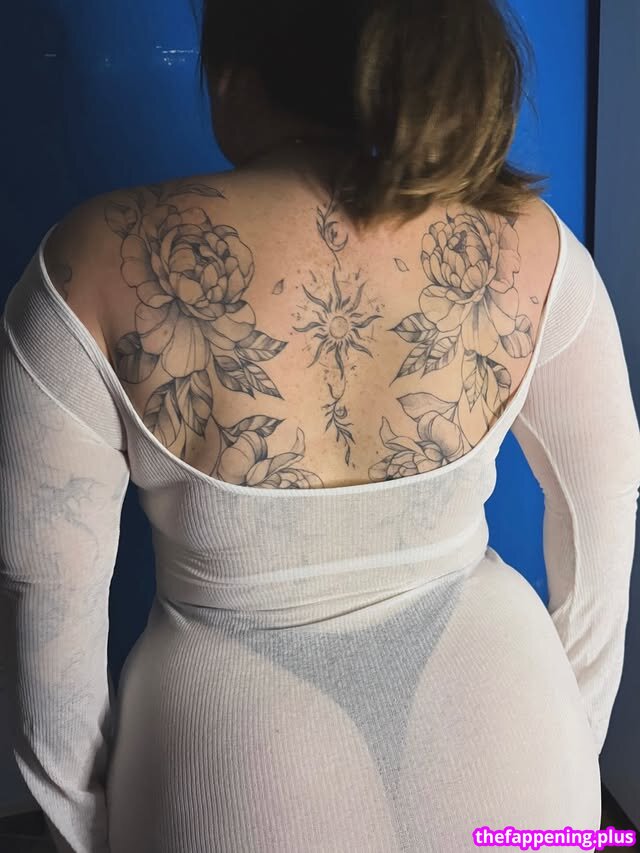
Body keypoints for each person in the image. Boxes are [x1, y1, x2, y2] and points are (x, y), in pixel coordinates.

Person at [1, 0, 640, 850]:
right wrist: (566, 746)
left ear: (236, 66)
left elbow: (45, 615)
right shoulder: (532, 242)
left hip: (233, 775)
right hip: (520, 754)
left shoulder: (91, 263)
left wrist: (89, 835)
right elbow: (604, 515)